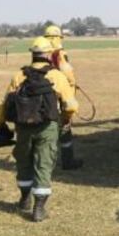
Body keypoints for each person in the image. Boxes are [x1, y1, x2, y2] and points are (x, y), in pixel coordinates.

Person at [0, 36, 79, 221]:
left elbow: (4, 105)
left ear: (32, 54)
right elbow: (71, 106)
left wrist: (1, 125)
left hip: (23, 127)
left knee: (24, 161)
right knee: (44, 163)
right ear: (49, 54)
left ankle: (24, 199)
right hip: (47, 127)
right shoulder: (56, 76)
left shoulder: (19, 76)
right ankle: (39, 208)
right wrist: (64, 120)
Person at [43, 25, 83, 170]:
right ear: (59, 38)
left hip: (42, 97)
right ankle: (68, 161)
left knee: (45, 129)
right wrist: (72, 85)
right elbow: (67, 73)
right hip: (59, 95)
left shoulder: (40, 52)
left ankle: (44, 162)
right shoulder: (59, 53)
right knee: (64, 128)